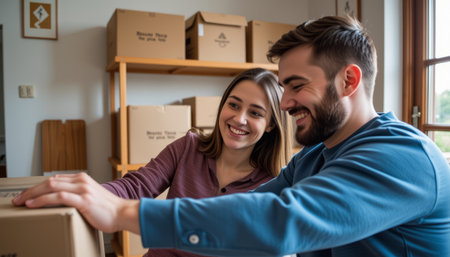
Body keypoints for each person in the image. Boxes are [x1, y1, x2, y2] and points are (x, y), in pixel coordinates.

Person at [13, 16, 450, 257]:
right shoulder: (315, 158)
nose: (286, 102)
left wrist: (125, 214)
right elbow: (240, 210)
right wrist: (101, 198)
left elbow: (283, 219)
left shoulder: (401, 154)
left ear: (349, 80)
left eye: (296, 86)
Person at [101, 67, 293, 256]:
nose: (239, 119)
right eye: (233, 105)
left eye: (255, 113)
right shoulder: (188, 147)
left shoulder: (274, 185)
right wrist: (96, 194)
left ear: (271, 124)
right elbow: (136, 186)